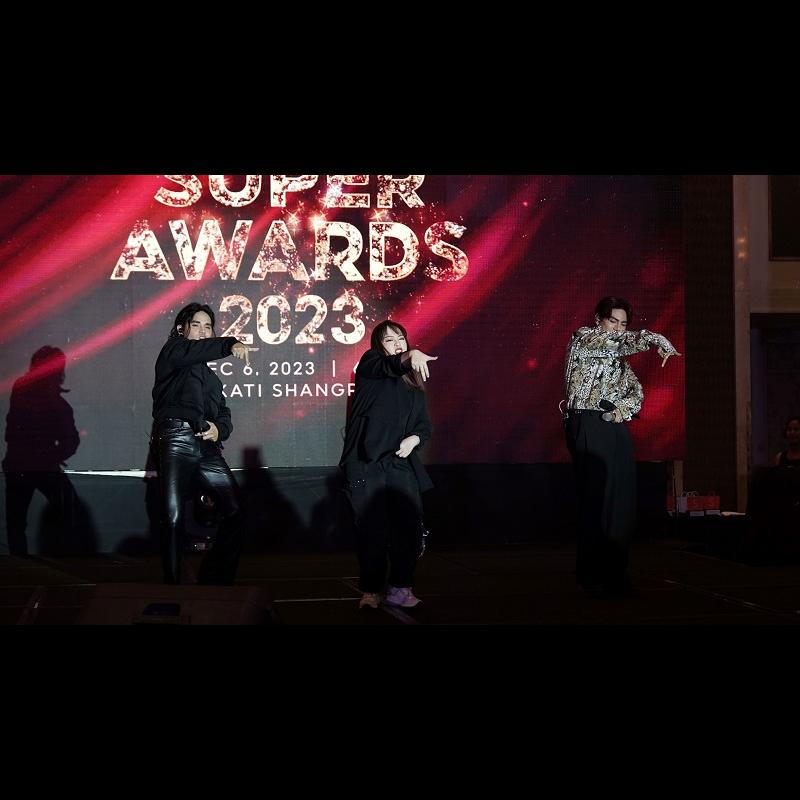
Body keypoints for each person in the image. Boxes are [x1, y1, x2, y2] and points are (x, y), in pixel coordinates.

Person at [562, 296, 680, 595]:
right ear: (598, 319)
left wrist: (619, 412)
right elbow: (618, 343)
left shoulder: (618, 361)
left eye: (623, 323)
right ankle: (591, 576)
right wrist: (654, 339)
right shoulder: (584, 338)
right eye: (612, 321)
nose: (617, 328)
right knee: (596, 500)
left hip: (611, 427)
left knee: (621, 500)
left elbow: (635, 391)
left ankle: (615, 572)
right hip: (586, 423)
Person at [151, 303, 253, 584]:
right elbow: (195, 351)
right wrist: (229, 344)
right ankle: (173, 587)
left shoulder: (211, 379)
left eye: (208, 326)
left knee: (236, 512)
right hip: (176, 439)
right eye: (196, 325)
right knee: (173, 516)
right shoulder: (173, 352)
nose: (202, 331)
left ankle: (215, 579)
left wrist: (219, 429)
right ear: (181, 328)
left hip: (207, 449)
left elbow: (223, 412)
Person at [340, 320, 436, 609]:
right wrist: (411, 355)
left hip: (399, 463)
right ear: (379, 346)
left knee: (409, 527)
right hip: (366, 463)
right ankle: (371, 591)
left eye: (401, 339)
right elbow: (387, 365)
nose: (397, 344)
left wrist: (415, 439)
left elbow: (423, 425)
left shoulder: (413, 384)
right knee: (372, 530)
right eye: (390, 340)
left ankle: (401, 587)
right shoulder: (371, 365)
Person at [2, 347, 80, 556]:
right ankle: (61, 554)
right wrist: (55, 454)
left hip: (22, 464)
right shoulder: (42, 397)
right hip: (32, 464)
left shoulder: (26, 390)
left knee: (17, 520)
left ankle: (22, 561)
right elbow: (70, 439)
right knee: (64, 507)